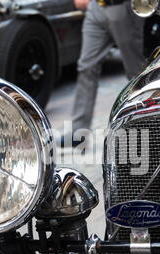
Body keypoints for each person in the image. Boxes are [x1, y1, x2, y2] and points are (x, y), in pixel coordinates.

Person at [62, 0, 145, 147]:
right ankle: (78, 132)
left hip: (123, 8)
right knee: (86, 67)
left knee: (135, 73)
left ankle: (145, 125)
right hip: (95, 8)